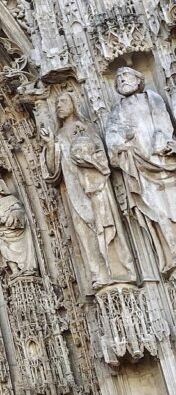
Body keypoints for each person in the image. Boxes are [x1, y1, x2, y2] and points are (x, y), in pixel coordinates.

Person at [44, 93, 135, 287]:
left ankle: (119, 272)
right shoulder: (58, 136)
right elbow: (53, 172)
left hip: (95, 186)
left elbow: (102, 158)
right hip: (74, 191)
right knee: (84, 234)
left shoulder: (86, 128)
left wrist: (87, 156)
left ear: (74, 104)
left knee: (105, 226)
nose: (59, 106)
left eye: (64, 101)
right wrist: (51, 144)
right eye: (57, 103)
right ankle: (99, 275)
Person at [105, 68, 176, 276]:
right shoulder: (116, 113)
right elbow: (112, 140)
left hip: (163, 161)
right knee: (158, 212)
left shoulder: (152, 98)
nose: (122, 80)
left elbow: (164, 124)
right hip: (138, 167)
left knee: (173, 206)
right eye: (118, 78)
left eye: (126, 76)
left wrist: (166, 142)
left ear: (139, 80)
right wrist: (122, 140)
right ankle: (171, 254)